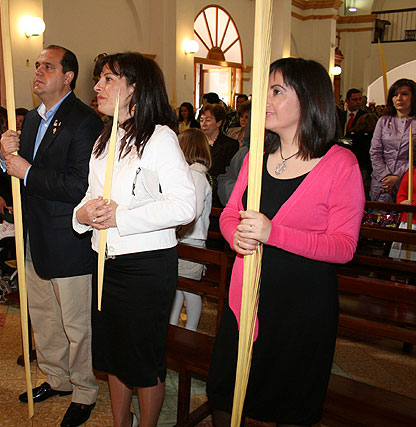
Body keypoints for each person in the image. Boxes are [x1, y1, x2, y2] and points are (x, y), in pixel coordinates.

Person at [206, 58, 365, 426]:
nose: (264, 100)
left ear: (309, 99)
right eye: (266, 91)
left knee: (288, 403)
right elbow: (230, 214)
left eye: (277, 91)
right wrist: (237, 237)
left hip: (301, 307)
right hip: (246, 298)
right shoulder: (256, 158)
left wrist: (272, 233)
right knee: (227, 396)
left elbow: (343, 246)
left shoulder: (341, 164)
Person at [73, 52, 196, 427]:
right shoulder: (103, 140)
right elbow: (89, 196)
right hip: (105, 262)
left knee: (142, 360)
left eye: (108, 79)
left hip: (145, 267)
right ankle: (119, 422)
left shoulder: (159, 138)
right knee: (113, 355)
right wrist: (82, 215)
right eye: (99, 79)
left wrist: (121, 217)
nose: (97, 87)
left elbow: (184, 206)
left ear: (135, 88)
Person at [0, 45, 103, 427]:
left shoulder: (84, 120)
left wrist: (25, 170)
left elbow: (79, 185)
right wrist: (4, 155)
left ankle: (84, 389)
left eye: (49, 66)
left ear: (69, 76)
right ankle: (57, 378)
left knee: (76, 323)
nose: (39, 71)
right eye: (37, 65)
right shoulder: (30, 120)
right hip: (32, 234)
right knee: (43, 316)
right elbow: (18, 169)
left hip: (67, 237)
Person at [169, 128, 212, 331]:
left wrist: (175, 230)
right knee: (179, 287)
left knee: (190, 290)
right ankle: (173, 325)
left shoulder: (195, 176)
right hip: (186, 240)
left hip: (191, 241)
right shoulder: (193, 174)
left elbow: (192, 212)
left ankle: (192, 330)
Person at [369, 78, 416, 202]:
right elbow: (375, 151)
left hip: (407, 178)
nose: (399, 98)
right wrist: (385, 177)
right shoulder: (383, 121)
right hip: (382, 181)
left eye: (404, 94)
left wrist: (397, 177)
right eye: (395, 95)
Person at [389, 169, 416, 260]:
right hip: (410, 220)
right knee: (400, 259)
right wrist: (403, 203)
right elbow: (401, 195)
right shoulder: (412, 173)